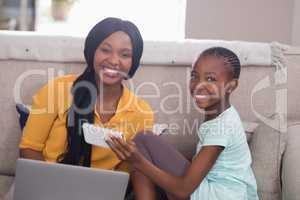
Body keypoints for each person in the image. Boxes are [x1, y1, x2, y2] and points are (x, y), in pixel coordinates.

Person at [4, 17, 154, 200]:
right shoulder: (57, 90)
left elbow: (124, 174)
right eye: (105, 50)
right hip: (44, 190)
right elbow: (29, 148)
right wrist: (53, 188)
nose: (114, 61)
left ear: (134, 62)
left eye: (124, 54)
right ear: (92, 52)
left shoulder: (142, 112)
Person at [107, 47, 259, 200]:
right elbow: (208, 165)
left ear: (231, 86)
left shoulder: (222, 127)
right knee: (144, 143)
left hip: (220, 194)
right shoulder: (221, 116)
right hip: (221, 190)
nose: (199, 85)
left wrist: (139, 162)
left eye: (211, 79)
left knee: (143, 140)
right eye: (194, 76)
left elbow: (182, 191)